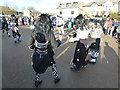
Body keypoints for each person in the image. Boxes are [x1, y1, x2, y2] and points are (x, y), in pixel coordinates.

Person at [29, 14, 61, 87]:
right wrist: (59, 42)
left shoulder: (35, 31)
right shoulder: (49, 32)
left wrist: (34, 46)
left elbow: (30, 44)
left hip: (37, 52)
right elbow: (54, 45)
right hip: (47, 53)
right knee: (53, 64)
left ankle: (37, 80)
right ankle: (56, 77)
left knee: (38, 65)